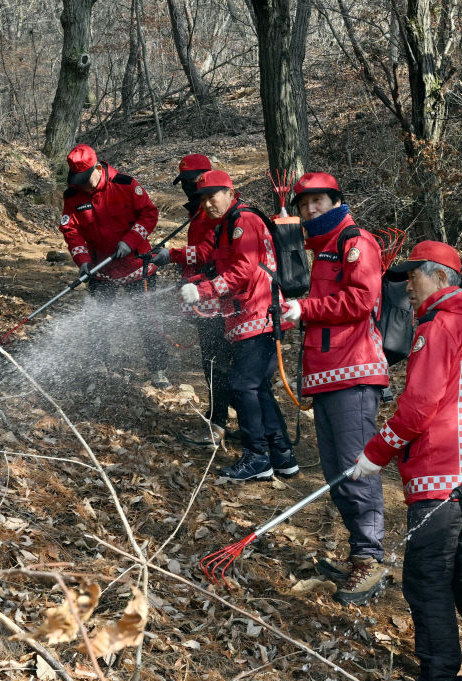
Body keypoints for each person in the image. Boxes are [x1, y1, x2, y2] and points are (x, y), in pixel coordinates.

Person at [352, 241, 462, 681]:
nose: (407, 287)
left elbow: (419, 406)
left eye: (413, 277)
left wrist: (375, 452)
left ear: (440, 277)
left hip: (441, 479)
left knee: (426, 581)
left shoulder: (441, 326)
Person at [282, 172, 388, 606]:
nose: (310, 210)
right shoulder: (322, 249)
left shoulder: (355, 241)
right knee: (336, 472)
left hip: (354, 373)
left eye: (318, 202)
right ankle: (359, 553)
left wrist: (304, 308)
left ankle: (371, 558)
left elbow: (362, 299)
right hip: (329, 377)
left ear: (336, 201)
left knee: (354, 467)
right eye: (304, 204)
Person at [180, 170, 298, 481]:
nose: (207, 204)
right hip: (251, 315)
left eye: (212, 196)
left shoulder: (242, 221)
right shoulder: (228, 224)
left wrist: (203, 291)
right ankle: (282, 454)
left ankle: (257, 456)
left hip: (257, 314)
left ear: (230, 193)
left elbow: (243, 270)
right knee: (257, 388)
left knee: (242, 386)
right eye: (202, 199)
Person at [59, 143, 170, 388]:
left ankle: (158, 369)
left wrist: (130, 242)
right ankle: (100, 365)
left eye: (86, 179)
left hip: (137, 266)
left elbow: (149, 214)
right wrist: (83, 261)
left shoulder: (126, 185)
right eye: (78, 180)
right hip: (101, 270)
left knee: (149, 320)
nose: (83, 185)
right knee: (100, 320)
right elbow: (71, 230)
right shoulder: (73, 195)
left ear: (98, 168)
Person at [151, 154, 232, 445]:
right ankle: (221, 419)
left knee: (216, 361)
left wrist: (171, 255)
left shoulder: (215, 212)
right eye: (185, 184)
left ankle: (218, 425)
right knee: (214, 360)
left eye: (192, 183)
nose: (188, 189)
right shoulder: (200, 211)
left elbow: (209, 252)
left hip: (217, 296)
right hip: (206, 293)